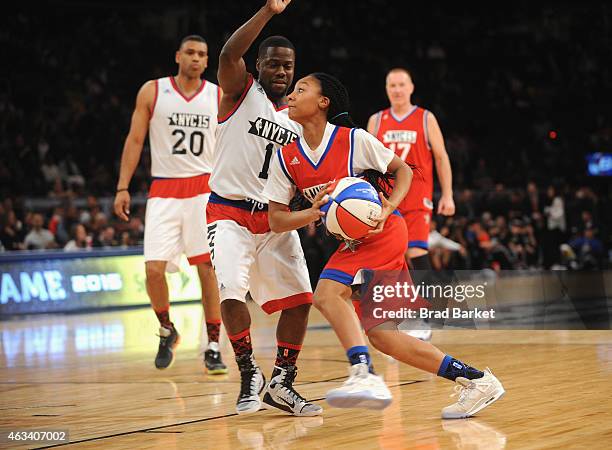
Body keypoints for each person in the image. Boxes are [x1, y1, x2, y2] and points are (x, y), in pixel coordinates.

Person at [263, 72, 505, 418]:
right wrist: (312, 213)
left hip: (384, 232)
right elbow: (277, 219)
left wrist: (389, 207)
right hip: (353, 242)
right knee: (384, 337)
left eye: (301, 89)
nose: (290, 95)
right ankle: (477, 380)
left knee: (327, 295)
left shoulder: (353, 140)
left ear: (322, 102)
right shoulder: (286, 157)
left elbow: (403, 170)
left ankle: (364, 373)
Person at [207, 0, 321, 416]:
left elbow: (301, 177)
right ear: (259, 64)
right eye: (273, 64)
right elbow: (227, 54)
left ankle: (282, 383)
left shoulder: (300, 120)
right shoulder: (240, 88)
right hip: (229, 212)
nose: (281, 71)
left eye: (288, 66)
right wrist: (269, 11)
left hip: (273, 219)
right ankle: (247, 370)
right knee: (232, 293)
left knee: (300, 301)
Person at [113, 35, 227, 374]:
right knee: (152, 270)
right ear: (178, 56)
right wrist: (122, 187)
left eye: (202, 55)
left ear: (207, 62)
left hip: (203, 189)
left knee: (207, 269)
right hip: (163, 188)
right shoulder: (153, 90)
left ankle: (213, 345)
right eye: (190, 52)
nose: (195, 58)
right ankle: (167, 329)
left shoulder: (217, 95)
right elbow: (135, 139)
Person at [367, 68, 455, 341]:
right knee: (388, 260)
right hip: (386, 199)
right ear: (386, 88)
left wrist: (448, 194)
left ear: (411, 87)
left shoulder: (425, 118)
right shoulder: (376, 120)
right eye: (392, 85)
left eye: (401, 84)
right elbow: (367, 162)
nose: (397, 89)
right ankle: (394, 317)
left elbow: (441, 157)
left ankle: (424, 318)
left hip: (417, 199)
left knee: (416, 254)